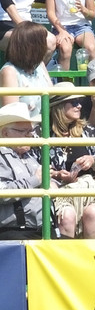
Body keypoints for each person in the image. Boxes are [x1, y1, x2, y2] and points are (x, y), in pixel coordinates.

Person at [46, 84, 95, 239]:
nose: (79, 105)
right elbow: (37, 168)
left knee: (92, 212)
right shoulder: (43, 134)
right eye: (74, 102)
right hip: (60, 191)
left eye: (79, 101)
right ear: (58, 106)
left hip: (88, 188)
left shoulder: (89, 131)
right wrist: (58, 174)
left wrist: (93, 160)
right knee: (67, 215)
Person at [0, 102, 42, 240]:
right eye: (23, 131)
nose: (29, 135)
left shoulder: (30, 156)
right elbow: (3, 193)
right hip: (14, 231)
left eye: (30, 131)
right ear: (5, 133)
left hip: (41, 228)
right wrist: (35, 180)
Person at [0, 21, 53, 120]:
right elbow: (11, 116)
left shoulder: (40, 66)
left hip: (46, 129)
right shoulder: (9, 72)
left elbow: (52, 97)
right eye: (42, 41)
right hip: (24, 132)